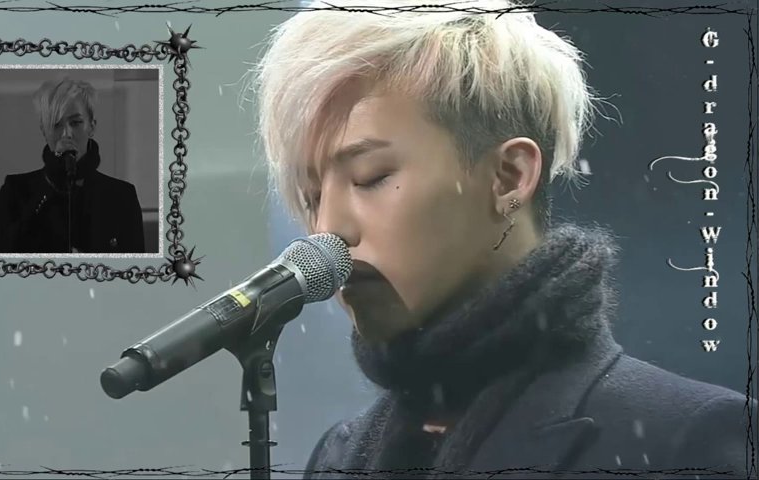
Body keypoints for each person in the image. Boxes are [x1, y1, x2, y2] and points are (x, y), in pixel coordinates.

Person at [251, 0, 757, 477]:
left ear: (509, 176)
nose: (328, 228)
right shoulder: (339, 460)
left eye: (371, 176)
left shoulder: (690, 440)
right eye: (311, 196)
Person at [0, 77, 145, 254]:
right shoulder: (15, 192)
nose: (67, 134)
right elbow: (4, 259)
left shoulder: (122, 196)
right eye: (56, 125)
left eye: (76, 123)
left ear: (92, 126)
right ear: (44, 131)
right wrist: (52, 181)